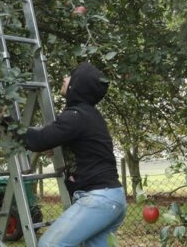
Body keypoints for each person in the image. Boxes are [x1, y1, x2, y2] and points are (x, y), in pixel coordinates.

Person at [19, 62, 125, 247]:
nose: (65, 78)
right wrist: (60, 145)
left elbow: (37, 141)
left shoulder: (76, 116)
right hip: (112, 197)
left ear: (78, 85)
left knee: (49, 245)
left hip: (98, 199)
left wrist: (7, 121)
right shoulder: (88, 115)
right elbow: (86, 146)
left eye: (70, 77)